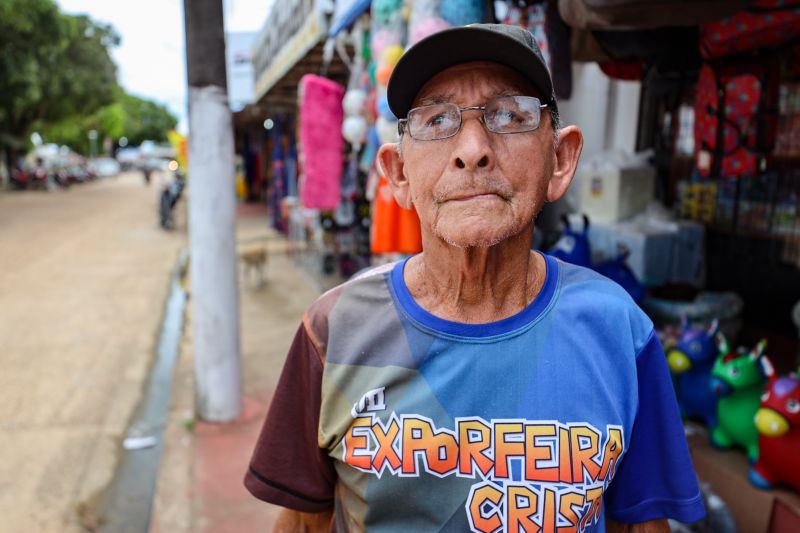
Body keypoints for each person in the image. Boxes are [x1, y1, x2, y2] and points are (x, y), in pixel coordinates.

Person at [245, 24, 706, 532]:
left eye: (509, 115)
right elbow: (304, 524)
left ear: (560, 160)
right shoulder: (333, 330)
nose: (472, 149)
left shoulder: (619, 331)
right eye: (436, 119)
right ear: (398, 174)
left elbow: (641, 524)